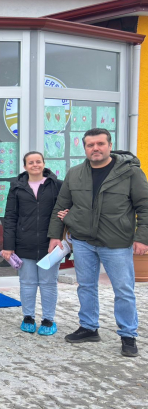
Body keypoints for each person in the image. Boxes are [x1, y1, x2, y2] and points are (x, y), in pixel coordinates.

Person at [48, 129, 148, 357]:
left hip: (117, 242)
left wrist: (142, 237)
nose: (95, 148)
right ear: (84, 148)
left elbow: (144, 207)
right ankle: (89, 327)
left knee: (123, 290)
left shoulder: (130, 173)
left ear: (110, 146)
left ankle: (128, 335)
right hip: (83, 241)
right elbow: (60, 206)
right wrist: (55, 236)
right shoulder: (75, 173)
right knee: (86, 286)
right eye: (90, 145)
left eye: (100, 144)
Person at [2, 152, 62, 335]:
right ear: (25, 166)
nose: (35, 165)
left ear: (44, 163)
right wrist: (8, 246)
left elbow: (64, 210)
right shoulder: (16, 187)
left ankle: (48, 320)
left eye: (38, 161)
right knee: (27, 283)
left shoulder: (57, 185)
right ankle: (28, 317)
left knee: (48, 283)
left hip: (49, 244)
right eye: (30, 162)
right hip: (24, 243)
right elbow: (10, 217)